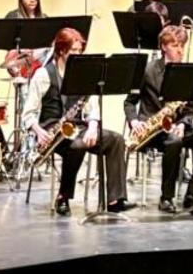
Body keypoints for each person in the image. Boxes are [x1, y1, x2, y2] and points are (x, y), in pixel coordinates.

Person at [21, 28, 135, 216]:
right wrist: (38, 131)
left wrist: (92, 127)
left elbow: (92, 107)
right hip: (52, 131)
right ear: (61, 50)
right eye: (73, 50)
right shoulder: (43, 75)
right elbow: (28, 113)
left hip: (79, 128)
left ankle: (115, 199)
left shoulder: (83, 73)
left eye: (79, 50)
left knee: (116, 139)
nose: (77, 54)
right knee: (77, 145)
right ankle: (63, 196)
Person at [124, 25, 193, 214]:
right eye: (175, 45)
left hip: (178, 125)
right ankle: (166, 197)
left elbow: (191, 108)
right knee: (174, 142)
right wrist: (135, 122)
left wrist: (183, 124)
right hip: (153, 129)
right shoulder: (147, 70)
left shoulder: (188, 72)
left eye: (182, 45)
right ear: (164, 46)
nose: (180, 49)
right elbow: (129, 102)